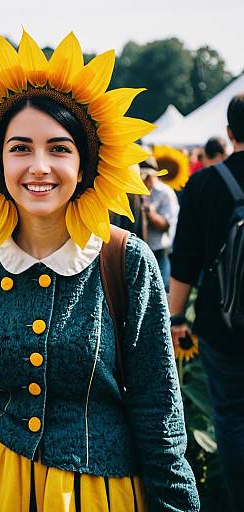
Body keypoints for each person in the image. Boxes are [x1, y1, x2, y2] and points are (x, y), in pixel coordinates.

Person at [0, 31, 199, 512]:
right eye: (20, 147)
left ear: (86, 164)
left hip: (98, 492)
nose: (39, 166)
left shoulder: (124, 261)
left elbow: (158, 413)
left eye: (60, 148)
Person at [169, 93, 244, 511]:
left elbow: (185, 260)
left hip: (223, 323)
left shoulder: (204, 183)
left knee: (231, 417)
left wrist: (176, 315)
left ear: (230, 133)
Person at [140, 157, 179, 291]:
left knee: (158, 291)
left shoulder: (165, 193)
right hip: (137, 252)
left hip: (158, 252)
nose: (143, 180)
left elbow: (166, 225)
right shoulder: (133, 191)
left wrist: (150, 213)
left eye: (146, 176)